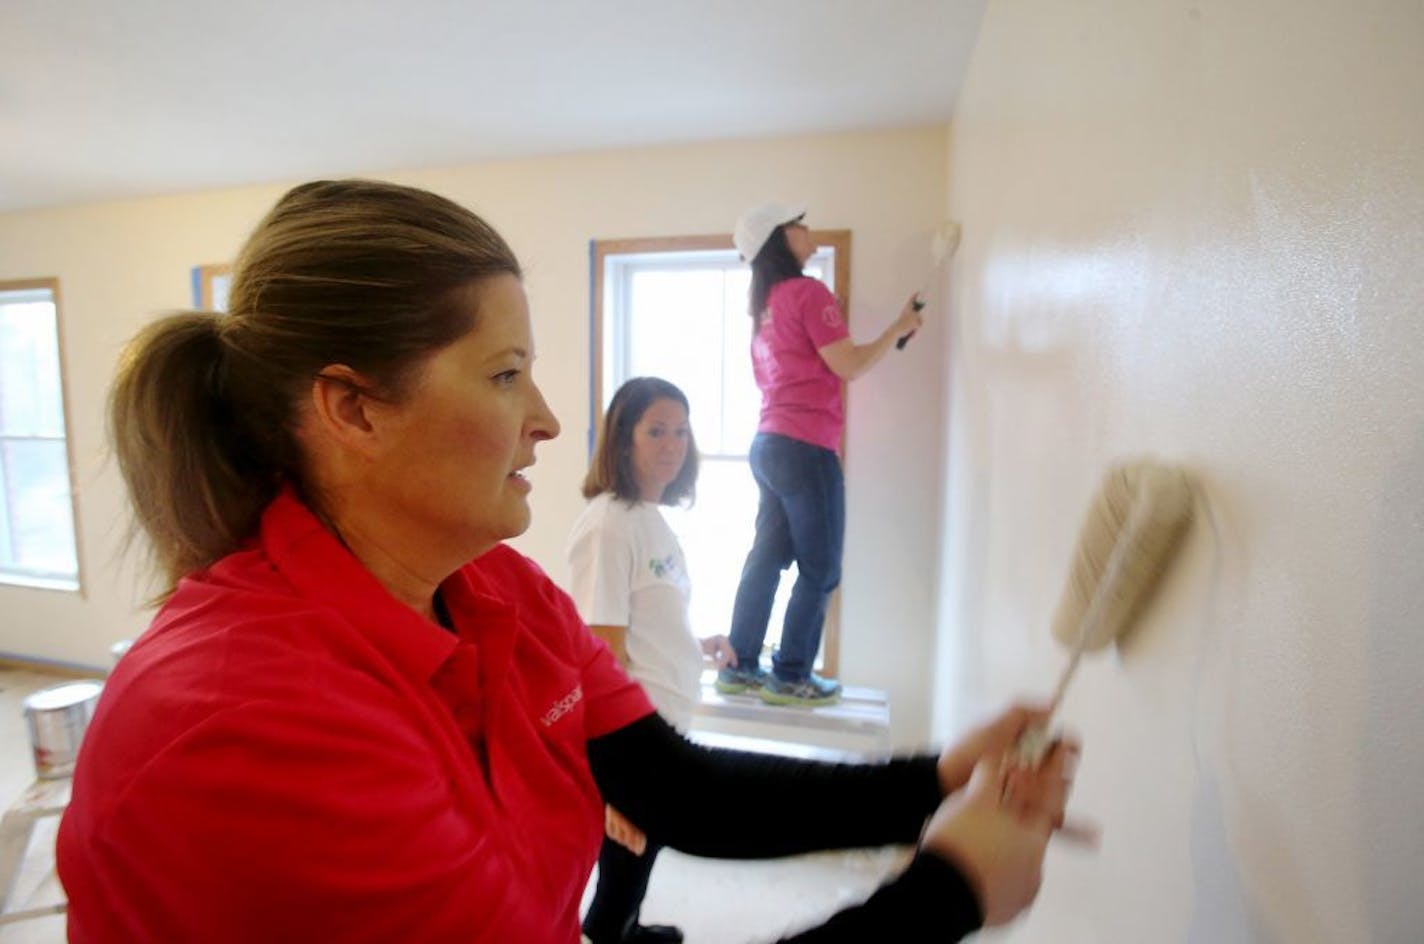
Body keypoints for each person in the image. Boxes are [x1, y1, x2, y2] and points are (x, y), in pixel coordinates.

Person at [57, 179, 1075, 944]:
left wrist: (936, 776)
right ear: (353, 407)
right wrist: (950, 889)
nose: (545, 419)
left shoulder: (496, 589)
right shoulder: (246, 721)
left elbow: (676, 785)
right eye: (505, 374)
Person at [719, 202, 924, 707]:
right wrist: (898, 327)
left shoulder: (763, 307)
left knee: (766, 558)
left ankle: (740, 663)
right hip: (805, 448)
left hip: (768, 444)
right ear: (779, 239)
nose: (808, 232)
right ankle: (790, 674)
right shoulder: (807, 293)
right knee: (821, 568)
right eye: (798, 225)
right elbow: (848, 364)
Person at [567, 376, 737, 944]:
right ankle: (614, 931)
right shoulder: (611, 526)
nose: (672, 444)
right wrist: (615, 783)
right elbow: (601, 653)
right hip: (636, 731)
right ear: (623, 439)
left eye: (681, 431)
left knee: (639, 857)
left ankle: (625, 928)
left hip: (663, 721)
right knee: (626, 865)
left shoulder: (649, 519)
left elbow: (651, 618)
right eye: (656, 431)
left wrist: (698, 641)